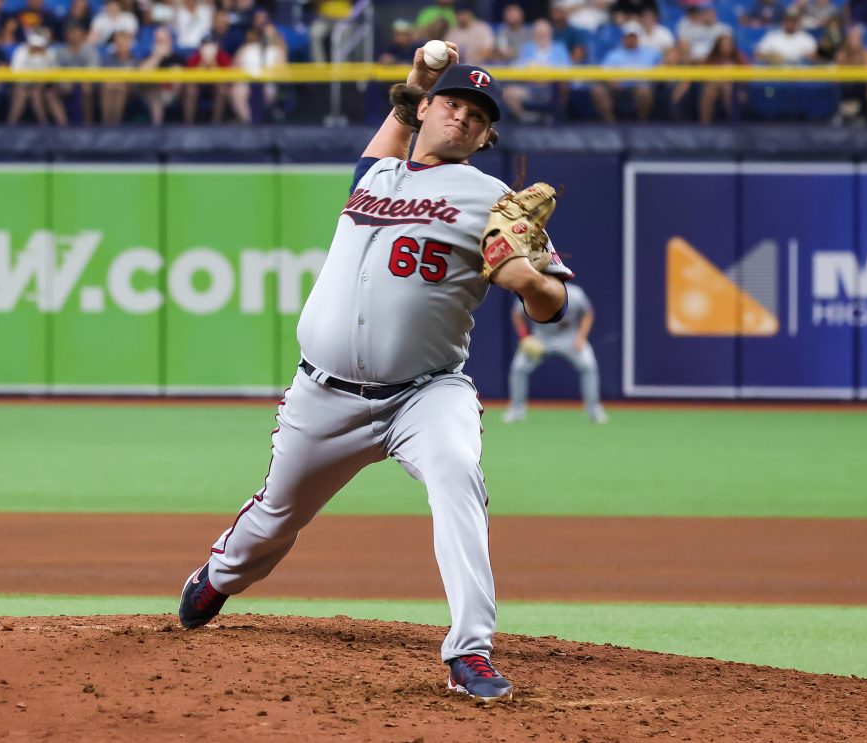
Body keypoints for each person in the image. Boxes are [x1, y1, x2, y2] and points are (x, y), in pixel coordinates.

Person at [178, 43, 574, 703]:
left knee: (456, 473)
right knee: (275, 518)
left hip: (425, 393)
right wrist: (417, 79)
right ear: (429, 109)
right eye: (454, 103)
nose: (465, 118)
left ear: (486, 135)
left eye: (479, 114)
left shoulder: (493, 198)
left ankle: (469, 649)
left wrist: (526, 279)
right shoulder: (376, 175)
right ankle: (221, 574)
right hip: (323, 394)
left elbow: (557, 302)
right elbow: (395, 123)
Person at [503, 283, 606, 424]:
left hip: (569, 337)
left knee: (588, 364)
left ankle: (594, 410)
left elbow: (587, 313)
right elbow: (517, 313)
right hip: (541, 338)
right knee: (519, 367)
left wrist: (581, 337)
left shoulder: (574, 294)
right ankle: (516, 411)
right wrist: (524, 336)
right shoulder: (533, 292)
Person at [502, 18, 571, 122]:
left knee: (564, 86)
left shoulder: (559, 48)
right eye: (538, 32)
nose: (541, 35)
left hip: (552, 88)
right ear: (534, 34)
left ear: (550, 33)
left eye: (544, 32)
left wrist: (547, 74)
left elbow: (567, 69)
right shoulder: (527, 48)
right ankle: (527, 117)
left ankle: (555, 117)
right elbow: (517, 67)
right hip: (530, 88)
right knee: (507, 93)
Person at [592, 20, 661, 122]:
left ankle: (642, 124)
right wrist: (611, 80)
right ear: (623, 37)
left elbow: (660, 67)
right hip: (618, 87)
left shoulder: (650, 53)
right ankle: (611, 125)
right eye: (628, 36)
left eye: (633, 36)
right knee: (598, 91)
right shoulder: (614, 54)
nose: (630, 39)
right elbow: (604, 72)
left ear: (638, 38)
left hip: (639, 86)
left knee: (644, 90)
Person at [7, 28, 67, 125]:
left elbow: (56, 74)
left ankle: (64, 126)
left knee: (47, 94)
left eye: (39, 47)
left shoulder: (50, 53)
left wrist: (45, 82)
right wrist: (31, 81)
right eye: (34, 46)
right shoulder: (21, 52)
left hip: (45, 85)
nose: (36, 49)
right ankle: (10, 125)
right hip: (23, 85)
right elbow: (16, 74)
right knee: (23, 93)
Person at [54, 20, 99, 124]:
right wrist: (64, 82)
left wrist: (76, 80)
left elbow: (93, 71)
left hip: (85, 84)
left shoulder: (90, 50)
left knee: (86, 88)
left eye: (75, 31)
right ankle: (63, 125)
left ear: (82, 33)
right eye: (70, 32)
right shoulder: (60, 51)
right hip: (65, 85)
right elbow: (55, 71)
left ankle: (88, 124)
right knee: (50, 93)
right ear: (66, 34)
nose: (73, 35)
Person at [140, 26, 184, 125]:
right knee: (155, 92)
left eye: (164, 40)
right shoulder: (149, 56)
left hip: (173, 93)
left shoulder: (177, 58)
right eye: (158, 41)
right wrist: (157, 56)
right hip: (150, 92)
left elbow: (178, 82)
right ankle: (157, 129)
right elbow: (142, 73)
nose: (161, 43)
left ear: (170, 41)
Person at [100, 28, 139, 124]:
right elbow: (103, 78)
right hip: (110, 87)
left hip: (131, 89)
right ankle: (107, 123)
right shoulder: (108, 58)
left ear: (129, 43)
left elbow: (136, 79)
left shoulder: (134, 59)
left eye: (124, 41)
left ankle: (116, 124)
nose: (121, 44)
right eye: (119, 41)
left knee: (120, 87)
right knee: (109, 87)